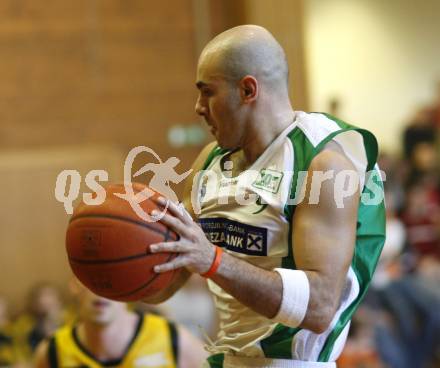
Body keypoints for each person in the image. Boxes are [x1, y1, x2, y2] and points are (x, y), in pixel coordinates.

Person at [144, 25, 386, 368]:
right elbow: (168, 278)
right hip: (227, 356)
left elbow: (319, 307)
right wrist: (120, 257)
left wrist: (213, 260)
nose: (198, 107)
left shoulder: (323, 164)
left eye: (207, 92)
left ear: (247, 90)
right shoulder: (210, 160)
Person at [34, 279, 207, 368]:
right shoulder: (52, 352)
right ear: (75, 285)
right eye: (93, 278)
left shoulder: (172, 337)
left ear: (130, 285)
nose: (101, 290)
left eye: (113, 278)